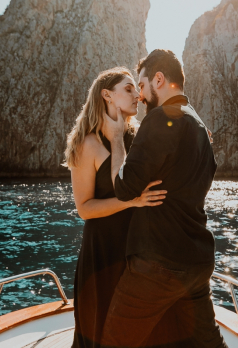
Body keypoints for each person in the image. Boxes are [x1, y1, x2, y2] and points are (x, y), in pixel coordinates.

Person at [101, 50, 228, 348]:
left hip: (158, 265)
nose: (141, 97)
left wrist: (118, 138)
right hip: (197, 263)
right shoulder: (200, 128)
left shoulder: (159, 119)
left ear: (159, 79)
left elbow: (123, 187)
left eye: (142, 86)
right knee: (209, 344)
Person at [64, 67, 169, 348]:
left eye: (137, 88)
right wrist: (132, 201)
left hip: (138, 249)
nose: (138, 94)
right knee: (102, 328)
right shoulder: (87, 144)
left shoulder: (137, 137)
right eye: (128, 89)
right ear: (107, 95)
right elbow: (85, 209)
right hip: (104, 252)